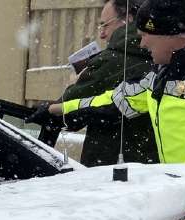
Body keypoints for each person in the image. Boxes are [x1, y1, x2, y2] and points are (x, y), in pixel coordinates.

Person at [39, 0, 185, 198]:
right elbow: (121, 100)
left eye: (145, 35)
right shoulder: (168, 68)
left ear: (170, 34)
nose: (142, 43)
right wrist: (59, 110)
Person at [43, 0, 157, 166]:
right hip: (152, 168)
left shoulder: (111, 61)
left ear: (128, 19)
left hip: (108, 168)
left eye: (105, 25)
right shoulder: (164, 60)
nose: (102, 34)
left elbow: (68, 111)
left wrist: (75, 83)